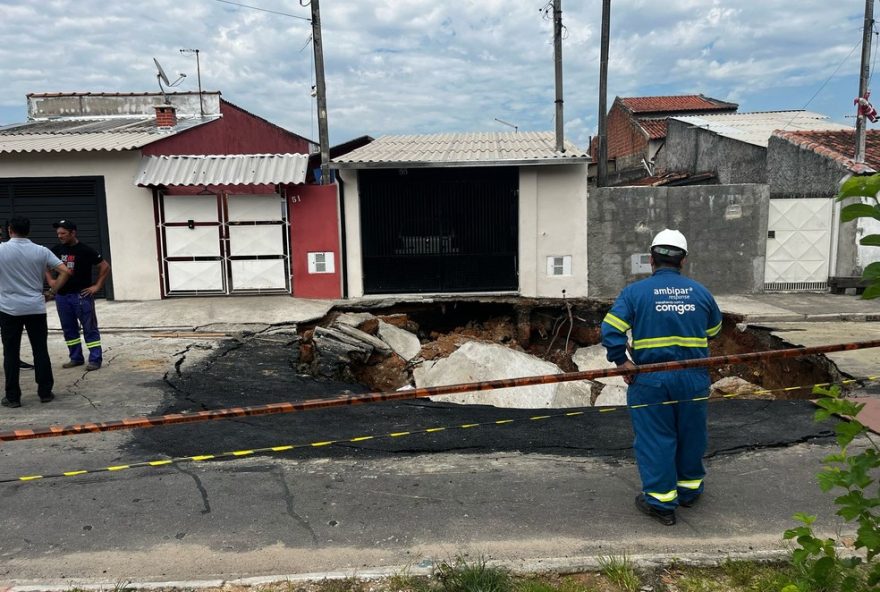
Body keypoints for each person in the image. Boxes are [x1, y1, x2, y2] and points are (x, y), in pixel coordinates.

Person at [600, 229, 722, 526]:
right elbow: (714, 331)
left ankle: (661, 503)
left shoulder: (635, 293)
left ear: (651, 258)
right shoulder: (700, 292)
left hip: (650, 379)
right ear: (684, 260)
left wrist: (620, 361)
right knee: (692, 434)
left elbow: (611, 329)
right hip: (692, 376)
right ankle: (689, 490)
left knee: (656, 438)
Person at [0, 217, 71, 408]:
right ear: (29, 231)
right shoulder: (41, 250)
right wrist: (51, 292)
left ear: (9, 230)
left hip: (8, 308)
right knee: (40, 350)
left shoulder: (1, 250)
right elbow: (65, 271)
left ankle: (13, 397)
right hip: (35, 307)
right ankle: (45, 392)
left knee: (11, 352)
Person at [45, 220, 111, 372]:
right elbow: (44, 265)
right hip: (62, 297)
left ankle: (95, 359)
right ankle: (75, 358)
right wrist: (50, 280)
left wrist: (97, 286)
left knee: (89, 328)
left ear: (73, 233)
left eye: (63, 233)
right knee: (69, 329)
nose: (60, 236)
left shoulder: (85, 250)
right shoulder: (56, 250)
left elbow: (105, 266)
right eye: (58, 234)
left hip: (81, 296)